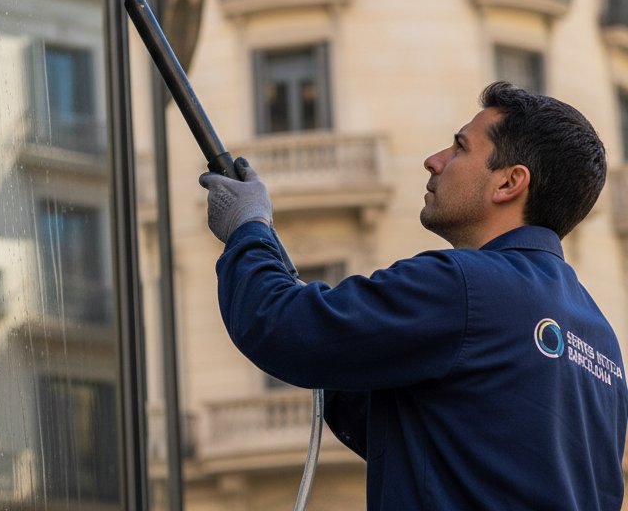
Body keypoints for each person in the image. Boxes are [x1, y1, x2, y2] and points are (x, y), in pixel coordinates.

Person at [200, 82, 628, 510]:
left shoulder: (464, 284)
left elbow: (275, 324)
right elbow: (431, 441)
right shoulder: (603, 343)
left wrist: (248, 228)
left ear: (509, 183)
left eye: (459, 148)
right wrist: (339, 357)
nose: (434, 161)